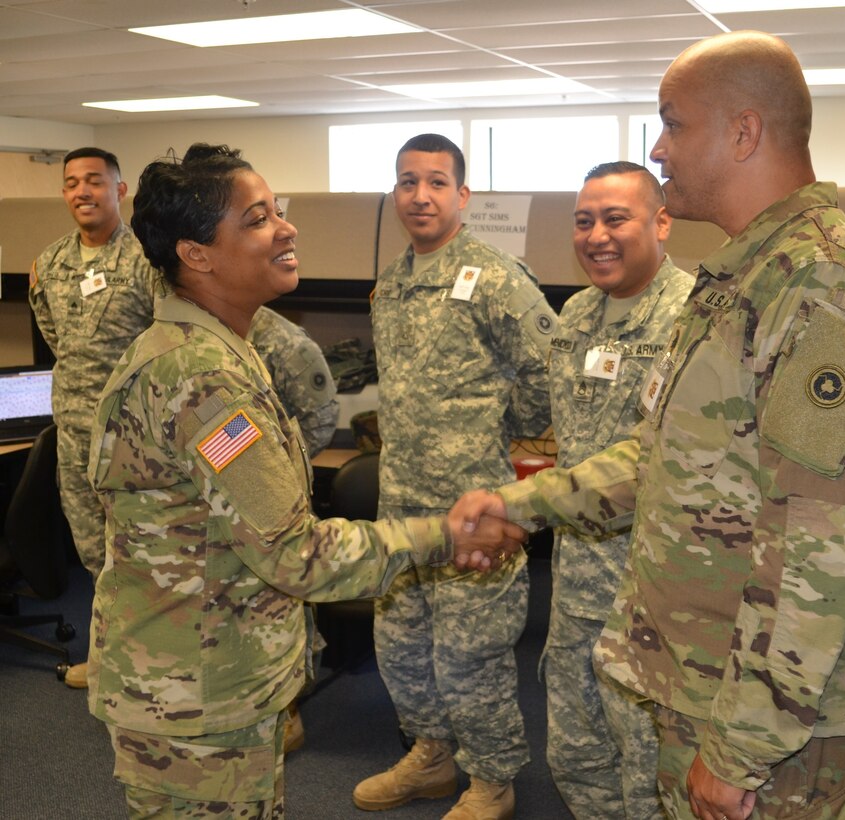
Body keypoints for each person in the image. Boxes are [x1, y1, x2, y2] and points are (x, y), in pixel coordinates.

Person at [452, 30, 845, 820]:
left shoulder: (823, 289)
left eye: (674, 123)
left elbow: (818, 541)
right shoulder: (745, 278)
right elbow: (661, 458)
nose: (660, 149)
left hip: (780, 738)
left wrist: (741, 749)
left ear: (744, 132)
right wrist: (520, 507)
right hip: (708, 684)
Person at [86, 143, 525, 818]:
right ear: (196, 254)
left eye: (279, 212)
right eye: (258, 219)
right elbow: (297, 555)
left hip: (211, 678)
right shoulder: (203, 380)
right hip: (196, 697)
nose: (286, 229)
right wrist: (446, 534)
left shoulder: (217, 353)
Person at [353, 133, 556, 820]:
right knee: (402, 645)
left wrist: (510, 439)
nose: (420, 195)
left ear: (463, 195)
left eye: (436, 181)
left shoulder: (497, 277)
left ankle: (491, 782)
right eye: (407, 181)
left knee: (471, 656)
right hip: (402, 508)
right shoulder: (392, 285)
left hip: (476, 505)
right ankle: (432, 756)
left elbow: (546, 374)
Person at [545, 161, 693, 819]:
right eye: (583, 221)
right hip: (576, 583)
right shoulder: (575, 315)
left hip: (653, 596)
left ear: (661, 222)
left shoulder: (693, 320)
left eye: (615, 218)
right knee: (576, 753)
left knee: (648, 768)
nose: (596, 235)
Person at [28, 146, 163, 689]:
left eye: (94, 181)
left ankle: (154, 666)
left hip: (135, 438)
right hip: (74, 436)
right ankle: (110, 657)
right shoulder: (50, 264)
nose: (82, 192)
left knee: (143, 555)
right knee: (93, 553)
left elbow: (169, 344)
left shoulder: (148, 262)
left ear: (119, 190)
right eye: (71, 183)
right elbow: (57, 340)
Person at [248, 305, 339, 458]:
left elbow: (320, 424)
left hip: (270, 467)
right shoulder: (206, 330)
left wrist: (285, 465)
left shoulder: (287, 342)